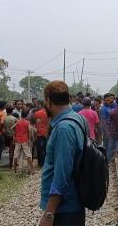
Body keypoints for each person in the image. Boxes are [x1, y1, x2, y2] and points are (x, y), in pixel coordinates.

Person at [39, 80, 86, 225]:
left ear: (48, 101)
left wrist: (49, 213)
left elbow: (62, 175)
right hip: (73, 204)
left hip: (64, 209)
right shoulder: (78, 118)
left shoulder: (63, 128)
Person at [13, 109, 34, 174]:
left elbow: (12, 128)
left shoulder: (18, 121)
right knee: (28, 155)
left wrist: (15, 134)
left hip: (17, 140)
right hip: (25, 140)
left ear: (21, 114)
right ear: (27, 115)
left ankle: (15, 170)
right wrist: (30, 139)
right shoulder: (27, 122)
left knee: (16, 155)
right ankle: (31, 170)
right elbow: (30, 131)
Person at [34, 100, 49, 168]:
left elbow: (37, 124)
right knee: (46, 148)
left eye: (37, 104)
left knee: (39, 149)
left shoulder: (37, 113)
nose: (36, 105)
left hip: (39, 133)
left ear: (40, 104)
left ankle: (40, 163)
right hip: (47, 133)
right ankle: (46, 163)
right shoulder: (49, 112)